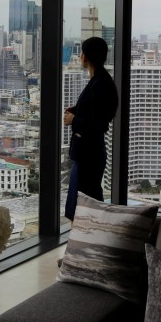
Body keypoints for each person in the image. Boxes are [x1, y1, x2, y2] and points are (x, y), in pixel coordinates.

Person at [63, 37, 118, 221]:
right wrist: (77, 111)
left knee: (82, 210)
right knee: (85, 206)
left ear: (85, 57)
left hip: (89, 154)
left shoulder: (99, 84)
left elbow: (99, 125)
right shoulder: (100, 80)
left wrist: (74, 119)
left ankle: (84, 246)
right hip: (89, 154)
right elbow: (96, 113)